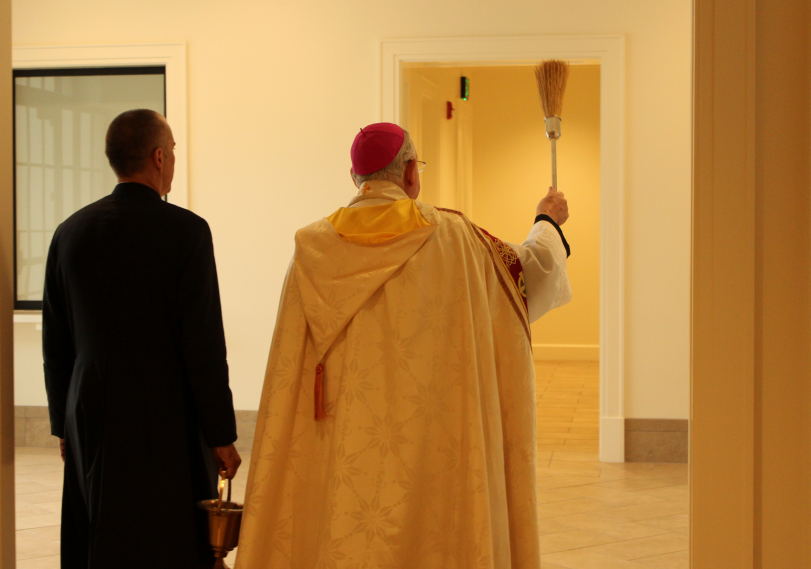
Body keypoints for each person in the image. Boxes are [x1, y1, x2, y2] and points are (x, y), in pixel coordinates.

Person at [235, 122, 571, 569]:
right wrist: (546, 221)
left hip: (343, 438)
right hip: (434, 438)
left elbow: (287, 367)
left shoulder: (312, 249)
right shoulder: (456, 238)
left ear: (356, 178)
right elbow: (530, 270)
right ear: (411, 172)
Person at [43, 109, 242, 569]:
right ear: (157, 157)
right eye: (172, 151)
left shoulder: (69, 232)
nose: (173, 159)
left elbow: (55, 339)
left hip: (90, 403)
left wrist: (62, 421)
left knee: (101, 522)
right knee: (166, 529)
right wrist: (221, 434)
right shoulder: (187, 232)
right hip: (164, 406)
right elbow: (203, 341)